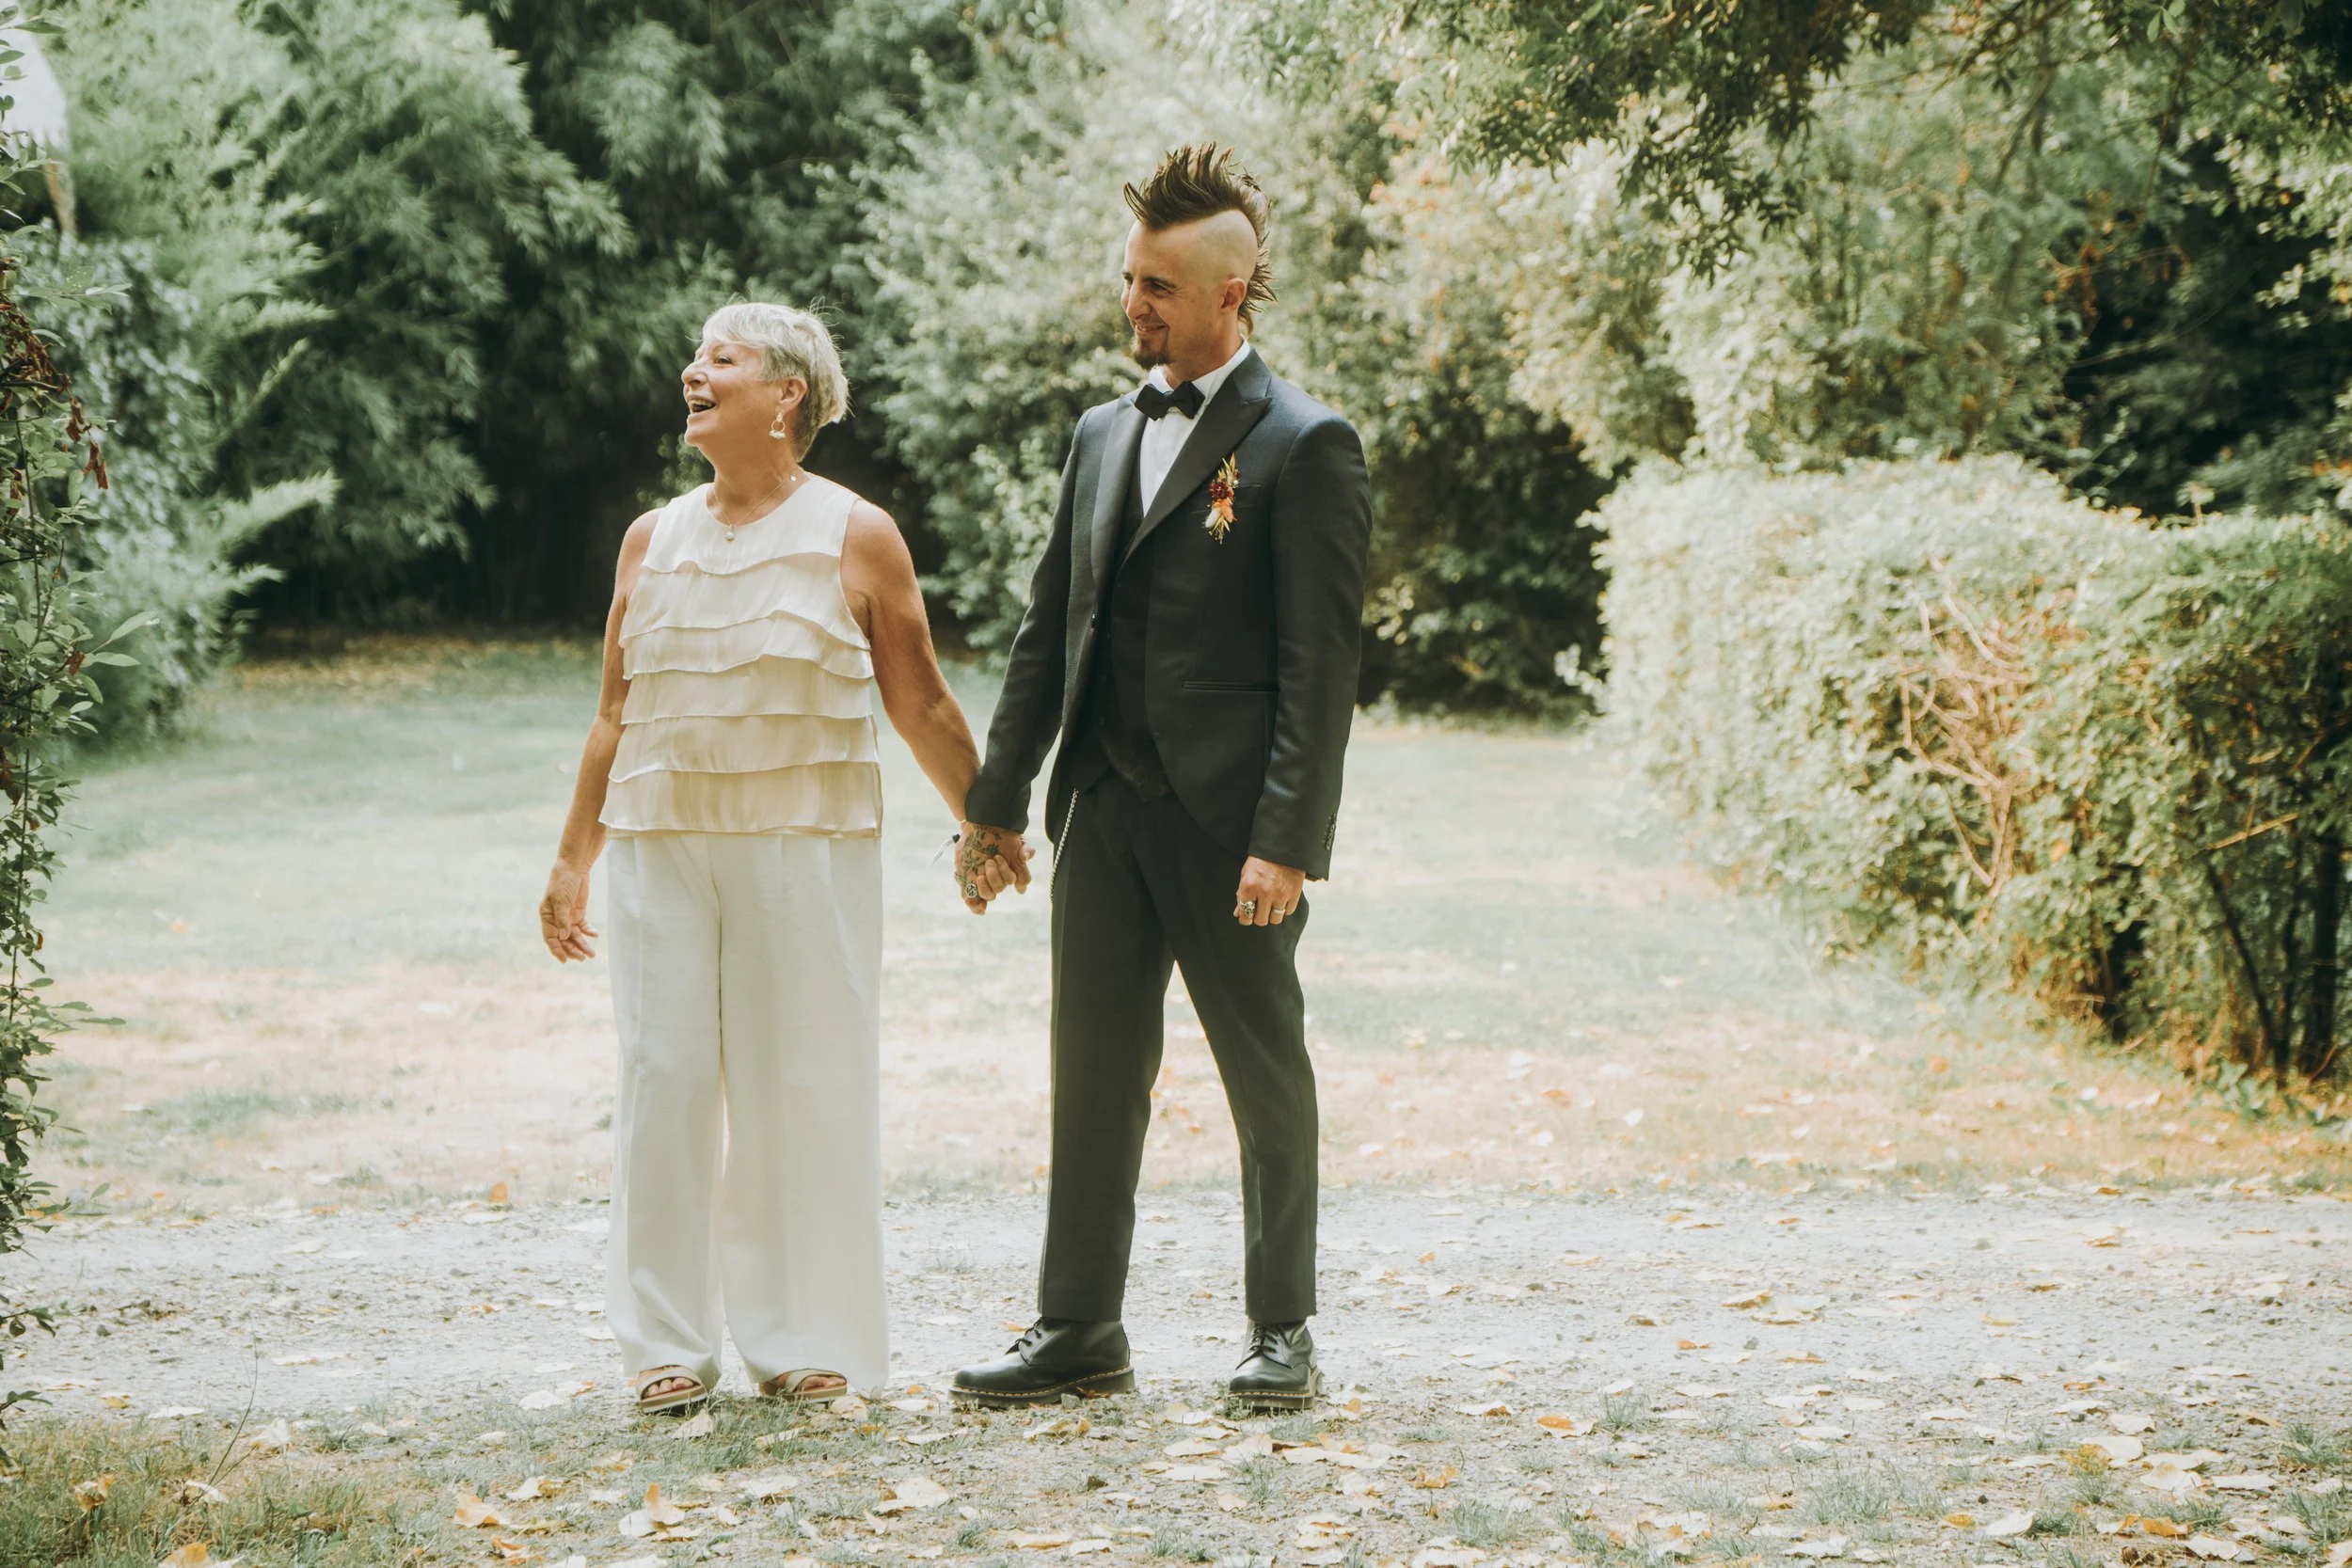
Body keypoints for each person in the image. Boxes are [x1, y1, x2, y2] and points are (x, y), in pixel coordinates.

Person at [947, 145, 1373, 1410]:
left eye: (1161, 287)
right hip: (1104, 807)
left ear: (1231, 293)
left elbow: (1319, 667)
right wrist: (994, 804)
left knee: (1264, 1071)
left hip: (1232, 819)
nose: (1136, 305)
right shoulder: (1097, 433)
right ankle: (1079, 1326)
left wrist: (1287, 838)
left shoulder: (1305, 445)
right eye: (1131, 278)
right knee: (1093, 1075)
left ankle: (1282, 1326)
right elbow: (1047, 631)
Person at [538, 303, 1009, 1417]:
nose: (691, 373)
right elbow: (615, 712)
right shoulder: (650, 538)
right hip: (660, 844)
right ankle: (663, 1343)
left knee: (802, 1083)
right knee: (663, 1080)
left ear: (786, 393)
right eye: (698, 357)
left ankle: (804, 1339)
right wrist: (572, 860)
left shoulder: (857, 532)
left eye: (721, 358)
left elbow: (921, 697)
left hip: (805, 846)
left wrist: (987, 822)